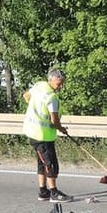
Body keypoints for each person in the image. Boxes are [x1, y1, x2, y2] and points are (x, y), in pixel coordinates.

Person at [23, 68, 71, 201]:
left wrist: (35, 109)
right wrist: (61, 129)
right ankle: (54, 193)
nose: (60, 86)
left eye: (62, 84)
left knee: (42, 163)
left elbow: (26, 96)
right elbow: (54, 120)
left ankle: (43, 192)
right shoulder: (52, 97)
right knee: (51, 164)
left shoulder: (39, 86)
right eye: (58, 84)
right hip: (42, 136)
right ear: (50, 80)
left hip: (32, 132)